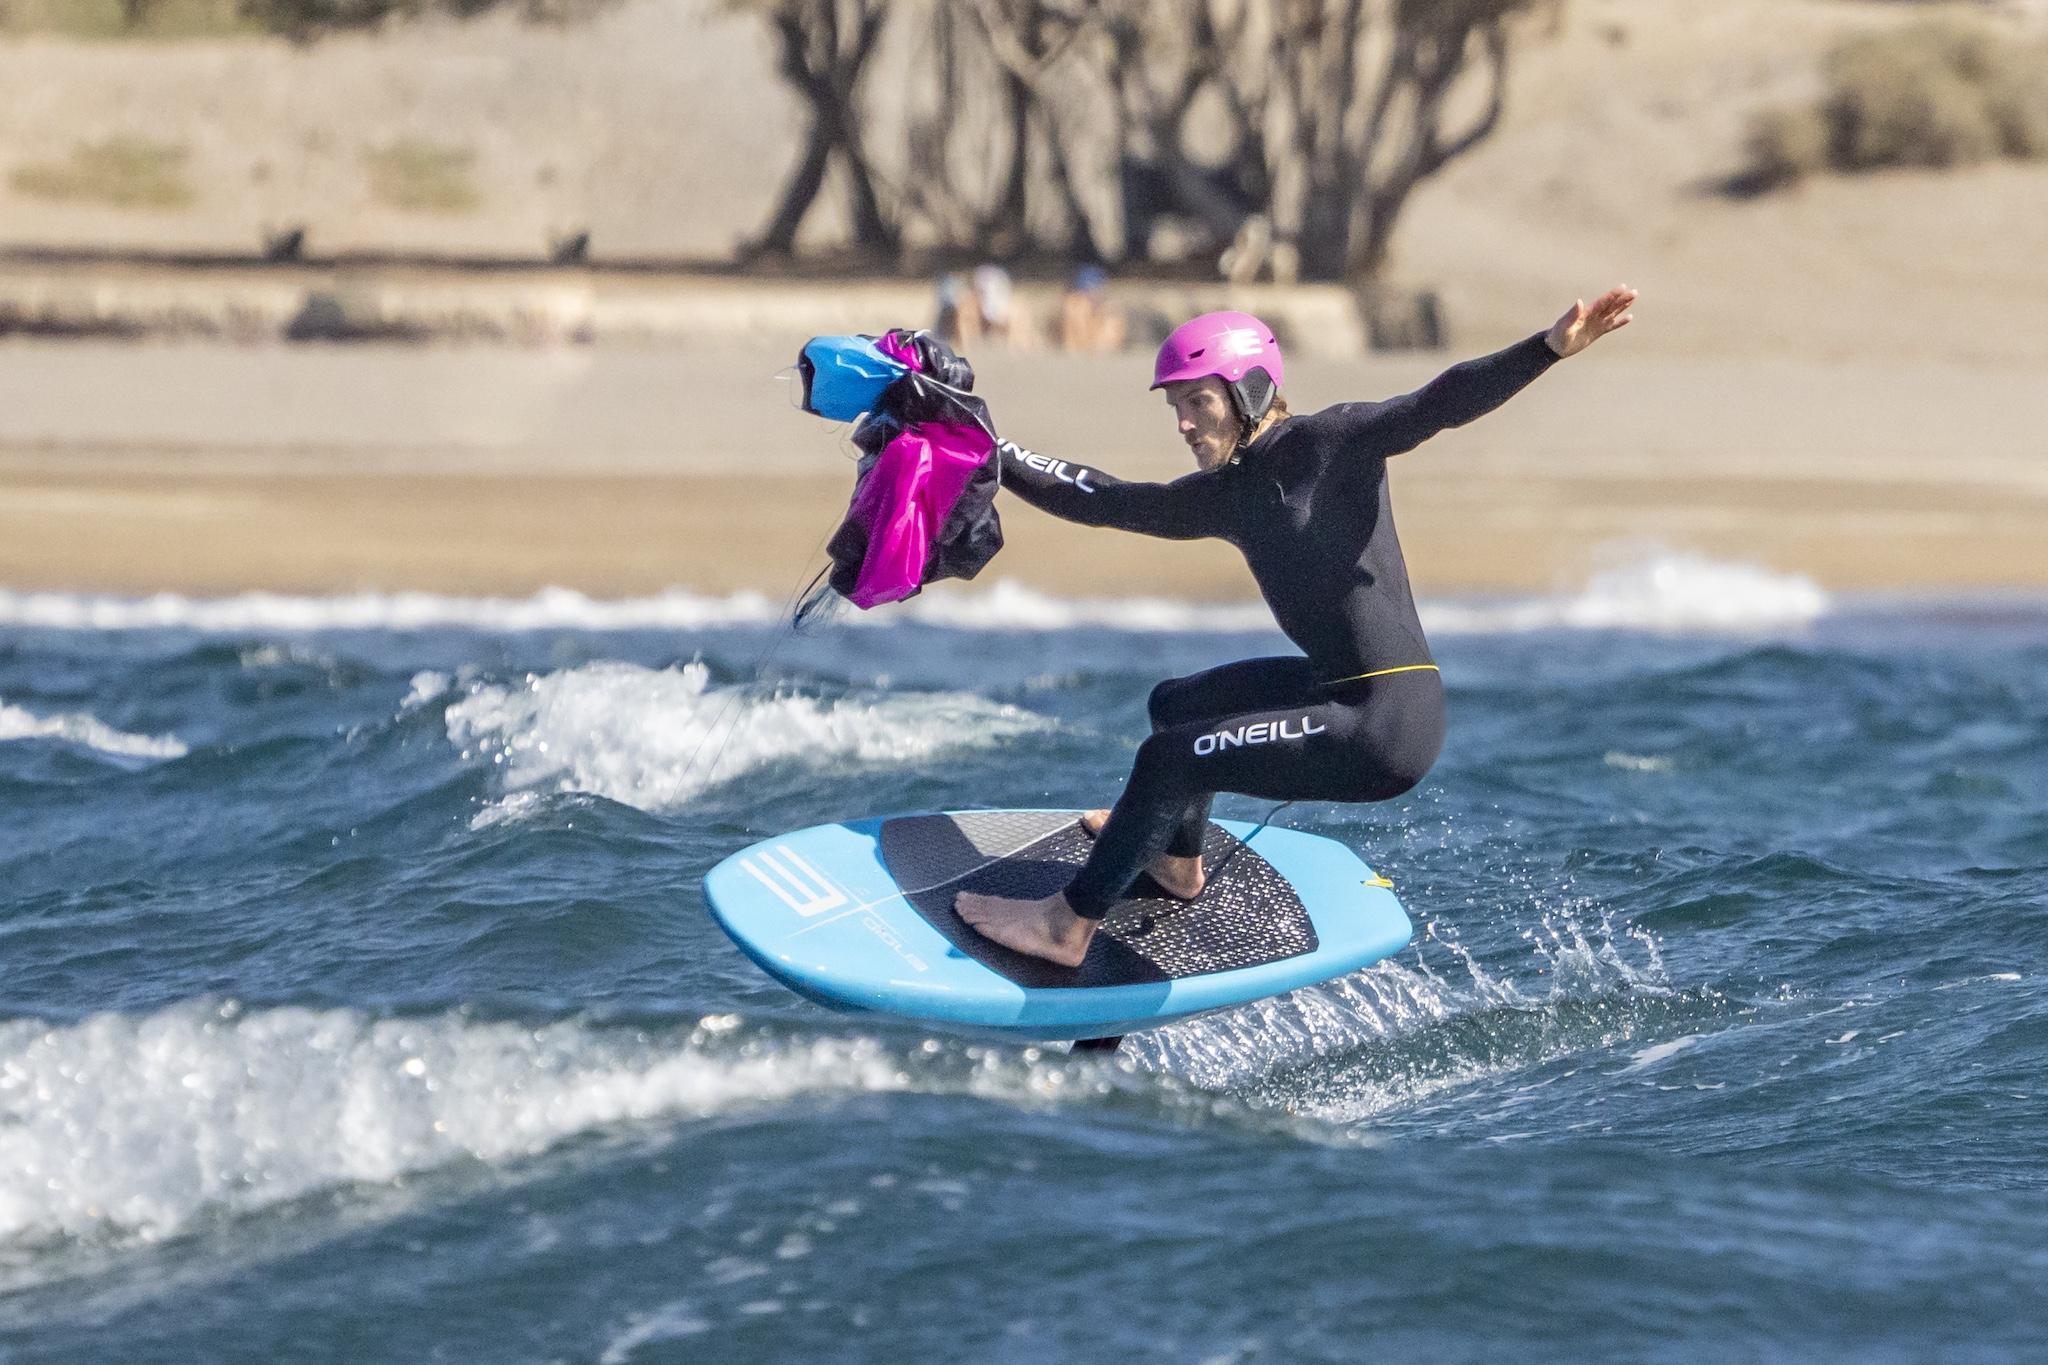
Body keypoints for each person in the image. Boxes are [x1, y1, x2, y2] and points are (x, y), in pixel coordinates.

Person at [955, 287, 1639, 966]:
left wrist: (1546, 349)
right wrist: (988, 446)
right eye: (1177, 407)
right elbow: (1104, 500)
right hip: (1334, 686)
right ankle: (1175, 862)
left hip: (1386, 720)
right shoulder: (1228, 494)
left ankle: (1064, 926)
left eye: (1199, 401)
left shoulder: (1329, 444)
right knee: (1176, 708)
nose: (1186, 424)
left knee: (1169, 761)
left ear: (1249, 390)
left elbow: (1438, 402)